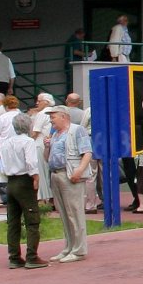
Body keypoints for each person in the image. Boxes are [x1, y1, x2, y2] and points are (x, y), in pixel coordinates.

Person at [0, 112, 45, 268]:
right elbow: (31, 162)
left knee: (13, 221)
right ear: (28, 126)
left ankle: (14, 256)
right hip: (24, 180)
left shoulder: (5, 144)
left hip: (10, 181)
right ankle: (32, 256)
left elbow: (2, 165)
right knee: (32, 219)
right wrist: (36, 177)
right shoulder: (28, 142)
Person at [44, 106, 92, 262]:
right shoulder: (55, 134)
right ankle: (69, 247)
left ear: (63, 116)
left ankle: (79, 250)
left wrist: (79, 170)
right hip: (56, 174)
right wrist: (47, 147)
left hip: (70, 175)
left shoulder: (77, 130)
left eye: (53, 117)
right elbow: (47, 158)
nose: (51, 120)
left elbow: (87, 152)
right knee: (64, 214)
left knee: (75, 213)